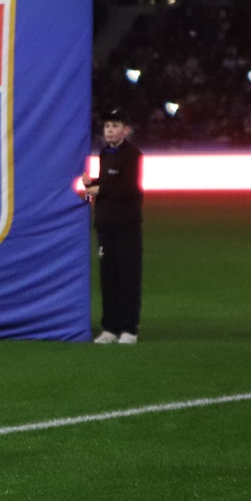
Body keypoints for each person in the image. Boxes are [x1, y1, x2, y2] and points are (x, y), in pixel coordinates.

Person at [82, 108, 144, 344]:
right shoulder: (105, 154)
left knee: (128, 276)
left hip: (127, 225)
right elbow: (108, 183)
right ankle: (110, 327)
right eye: (107, 126)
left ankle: (129, 329)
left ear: (125, 130)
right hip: (105, 226)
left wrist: (100, 189)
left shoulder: (133, 155)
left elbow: (129, 189)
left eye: (114, 126)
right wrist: (93, 183)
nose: (109, 130)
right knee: (108, 278)